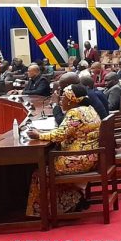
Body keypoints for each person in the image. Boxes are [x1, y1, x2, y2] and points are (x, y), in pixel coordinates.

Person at [25, 84, 100, 217]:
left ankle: (45, 212)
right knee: (48, 162)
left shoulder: (75, 113)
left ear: (71, 100)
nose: (60, 101)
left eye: (63, 98)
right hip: (90, 157)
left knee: (41, 172)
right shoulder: (89, 108)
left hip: (78, 159)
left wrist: (38, 135)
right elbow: (65, 132)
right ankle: (71, 202)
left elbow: (60, 135)